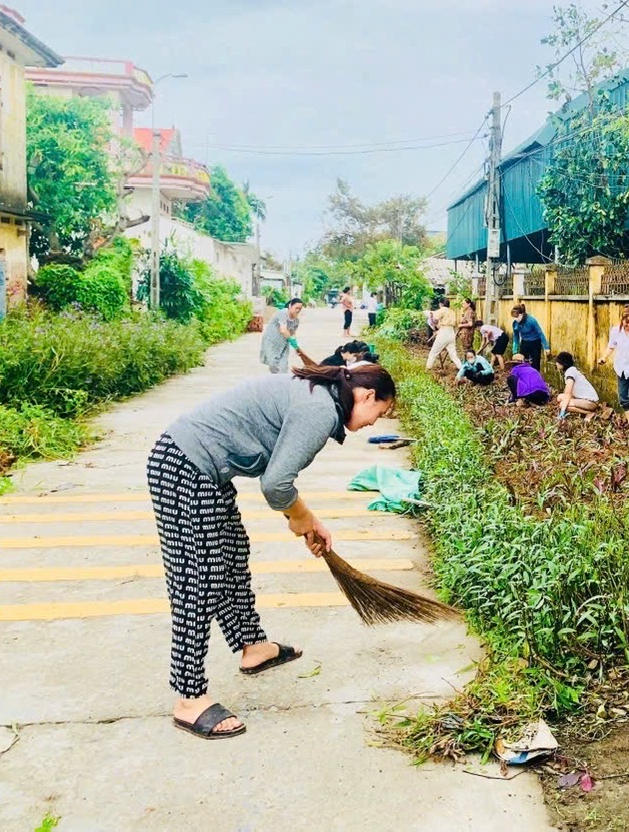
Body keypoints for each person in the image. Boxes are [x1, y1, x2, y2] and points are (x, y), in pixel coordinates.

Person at [147, 363, 397, 739]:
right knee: (199, 581)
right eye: (381, 413)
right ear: (366, 396)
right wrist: (302, 516)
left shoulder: (318, 395)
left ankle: (253, 646)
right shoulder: (320, 410)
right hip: (184, 468)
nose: (375, 423)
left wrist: (303, 519)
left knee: (230, 555)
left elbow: (279, 486)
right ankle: (189, 698)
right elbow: (276, 485)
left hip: (200, 470)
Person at [259, 298, 304, 374]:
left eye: (300, 309)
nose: (298, 310)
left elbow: (292, 334)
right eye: (296, 308)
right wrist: (293, 342)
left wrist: (296, 347)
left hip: (283, 344)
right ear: (290, 306)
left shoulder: (296, 321)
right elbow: (283, 330)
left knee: (283, 366)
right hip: (271, 342)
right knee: (273, 364)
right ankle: (276, 381)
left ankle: (283, 381)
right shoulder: (283, 313)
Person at [554, 352, 602, 421]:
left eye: (558, 362)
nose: (556, 363)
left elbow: (568, 393)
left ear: (563, 363)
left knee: (562, 405)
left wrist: (563, 411)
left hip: (590, 402)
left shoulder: (570, 373)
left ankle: (589, 413)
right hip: (584, 399)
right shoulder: (571, 370)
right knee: (560, 397)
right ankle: (586, 411)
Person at [426, 296, 462, 371]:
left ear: (441, 304)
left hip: (444, 333)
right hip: (451, 333)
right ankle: (462, 369)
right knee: (453, 355)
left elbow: (435, 319)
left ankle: (427, 369)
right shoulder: (452, 312)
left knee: (433, 352)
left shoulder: (442, 310)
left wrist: (430, 315)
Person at [510, 303, 549, 369]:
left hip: (535, 342)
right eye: (513, 317)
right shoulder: (515, 323)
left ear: (521, 314)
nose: (515, 319)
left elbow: (540, 333)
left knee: (535, 362)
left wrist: (546, 347)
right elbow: (516, 337)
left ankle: (535, 376)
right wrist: (515, 351)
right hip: (525, 342)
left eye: (516, 317)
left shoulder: (531, 321)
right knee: (522, 362)